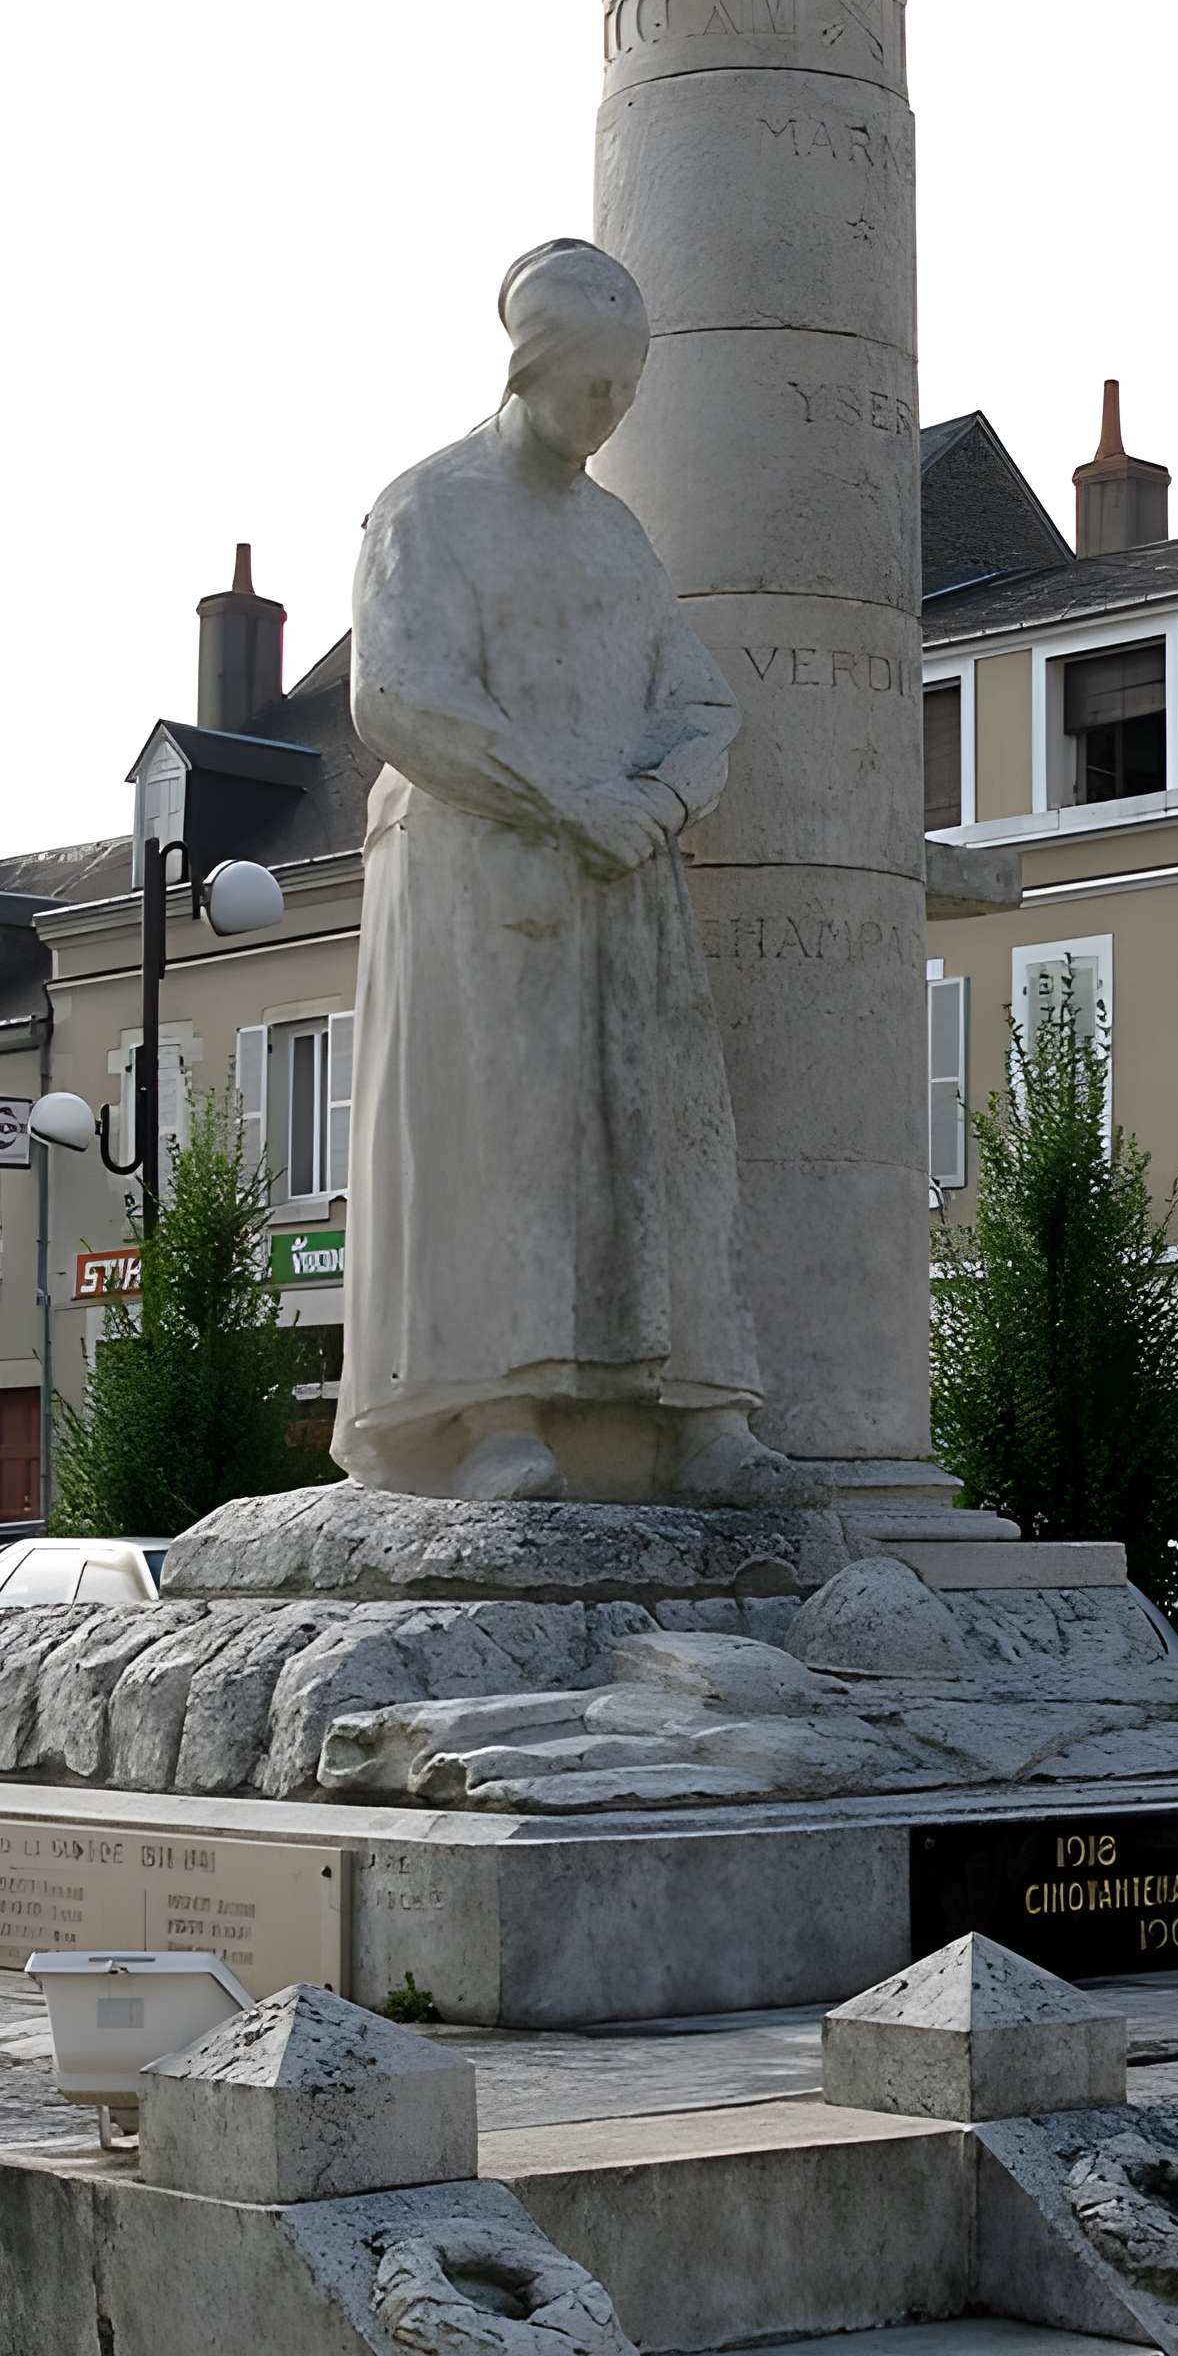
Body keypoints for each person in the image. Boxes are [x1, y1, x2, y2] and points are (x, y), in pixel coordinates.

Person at [334, 238, 795, 1505]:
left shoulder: (614, 535)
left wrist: (652, 800)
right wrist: (563, 800)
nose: (611, 414)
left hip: (621, 870)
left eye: (628, 391)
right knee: (500, 1141)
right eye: (596, 387)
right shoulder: (427, 508)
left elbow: (694, 698)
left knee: (663, 1139)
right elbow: (401, 694)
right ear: (533, 367)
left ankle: (698, 1414)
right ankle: (496, 1416)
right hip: (482, 869)